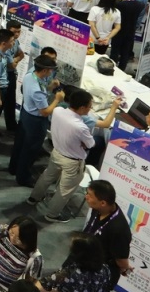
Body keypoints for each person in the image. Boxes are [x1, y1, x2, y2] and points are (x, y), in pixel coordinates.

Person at [80, 180, 132, 292]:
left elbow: (121, 260)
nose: (86, 197)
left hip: (102, 274)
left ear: (103, 202)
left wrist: (125, 268)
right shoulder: (98, 210)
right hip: (86, 263)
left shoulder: (119, 229)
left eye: (89, 195)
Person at [29, 88, 99, 222]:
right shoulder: (80, 126)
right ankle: (52, 214)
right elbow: (91, 144)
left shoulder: (58, 110)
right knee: (64, 190)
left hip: (56, 153)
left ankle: (34, 198)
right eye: (89, 106)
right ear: (82, 108)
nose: (90, 109)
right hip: (72, 162)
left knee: (47, 177)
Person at [8, 55, 63, 187]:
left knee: (20, 144)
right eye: (50, 70)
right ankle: (23, 177)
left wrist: (50, 87)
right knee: (30, 150)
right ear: (44, 70)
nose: (51, 72)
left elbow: (41, 93)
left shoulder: (30, 76)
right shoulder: (36, 89)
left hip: (26, 115)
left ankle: (14, 168)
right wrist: (57, 99)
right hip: (35, 121)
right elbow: (45, 111)